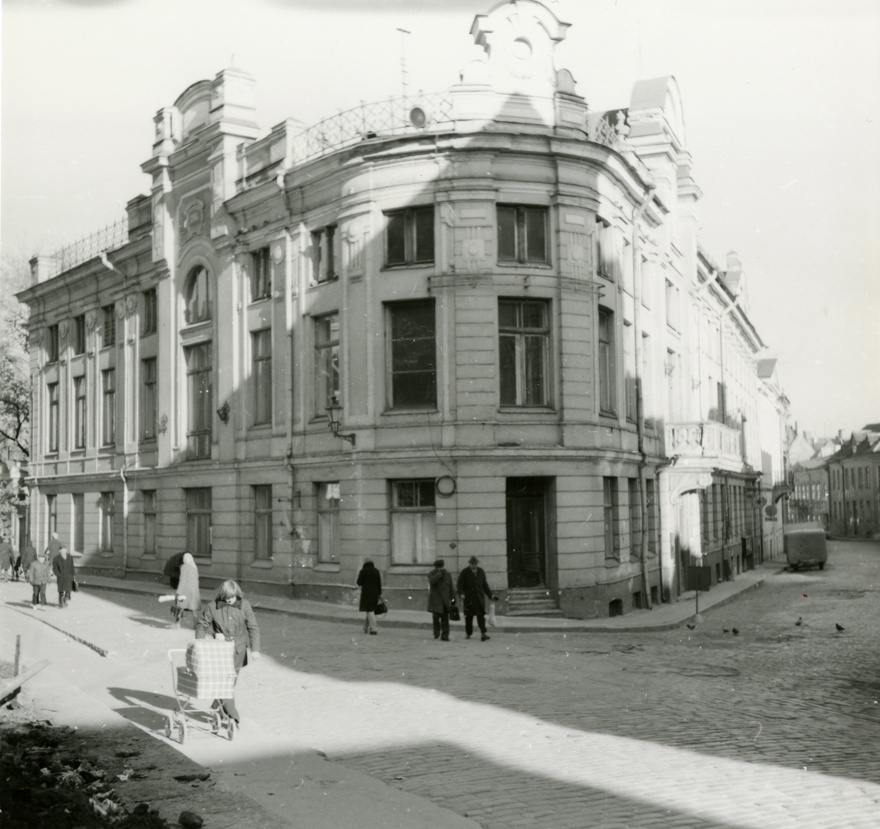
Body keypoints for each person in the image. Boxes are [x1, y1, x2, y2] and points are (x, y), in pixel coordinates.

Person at [195, 580, 260, 724]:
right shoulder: (213, 607)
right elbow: (202, 625)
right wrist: (200, 644)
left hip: (238, 651)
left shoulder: (245, 605)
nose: (230, 600)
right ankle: (232, 715)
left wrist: (255, 649)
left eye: (232, 597)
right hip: (220, 652)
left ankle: (216, 707)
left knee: (230, 683)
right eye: (227, 597)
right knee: (226, 684)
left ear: (237, 594)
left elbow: (253, 627)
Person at [457, 556, 498, 641]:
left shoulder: (481, 572)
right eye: (472, 564)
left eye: (475, 564)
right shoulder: (465, 572)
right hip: (469, 599)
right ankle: (468, 633)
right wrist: (461, 593)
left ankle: (483, 634)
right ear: (470, 564)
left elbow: (485, 585)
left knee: (481, 616)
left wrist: (490, 595)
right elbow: (459, 584)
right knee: (468, 617)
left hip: (479, 599)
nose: (474, 565)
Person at [427, 559, 455, 642]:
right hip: (436, 600)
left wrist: (453, 599)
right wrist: (439, 574)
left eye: (441, 567)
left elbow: (451, 588)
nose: (441, 569)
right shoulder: (432, 574)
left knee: (445, 619)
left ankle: (445, 635)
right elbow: (432, 581)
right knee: (435, 618)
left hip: (445, 601)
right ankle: (436, 633)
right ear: (436, 567)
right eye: (439, 567)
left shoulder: (448, 575)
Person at [174, 552, 201, 627]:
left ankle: (177, 624)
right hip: (194, 590)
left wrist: (178, 592)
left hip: (185, 590)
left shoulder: (184, 566)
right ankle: (196, 625)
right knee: (194, 608)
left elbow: (182, 580)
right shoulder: (194, 566)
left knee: (180, 606)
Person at [356, 558, 382, 635]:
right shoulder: (376, 571)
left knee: (370, 611)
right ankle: (365, 628)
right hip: (375, 593)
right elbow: (379, 584)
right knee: (370, 610)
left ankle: (374, 629)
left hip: (366, 593)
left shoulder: (363, 571)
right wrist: (379, 594)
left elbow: (359, 582)